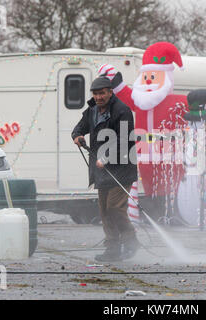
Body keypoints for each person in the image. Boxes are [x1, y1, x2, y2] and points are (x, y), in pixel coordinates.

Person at [98, 42, 188, 221]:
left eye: (153, 76)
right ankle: (151, 214)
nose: (148, 80)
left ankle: (172, 213)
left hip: (169, 156)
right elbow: (124, 94)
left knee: (170, 188)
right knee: (146, 189)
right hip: (143, 156)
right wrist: (114, 81)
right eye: (146, 76)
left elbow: (191, 107)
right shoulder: (139, 101)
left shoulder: (176, 102)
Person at [71, 76, 139, 262]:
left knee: (115, 208)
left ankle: (131, 242)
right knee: (104, 211)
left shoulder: (122, 111)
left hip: (122, 169)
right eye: (96, 93)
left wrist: (106, 157)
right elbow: (79, 127)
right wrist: (77, 136)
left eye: (102, 93)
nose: (99, 97)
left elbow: (125, 139)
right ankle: (112, 250)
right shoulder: (92, 110)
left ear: (110, 92)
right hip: (102, 171)